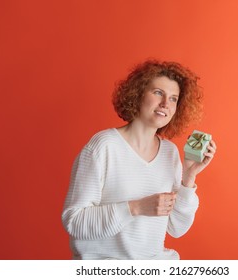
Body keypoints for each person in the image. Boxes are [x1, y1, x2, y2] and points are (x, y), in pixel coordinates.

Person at [61, 59, 217, 259]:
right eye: (158, 93)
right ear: (138, 94)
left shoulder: (170, 153)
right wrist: (136, 208)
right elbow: (74, 222)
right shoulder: (103, 146)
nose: (165, 104)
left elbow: (177, 228)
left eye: (173, 98)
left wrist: (189, 176)